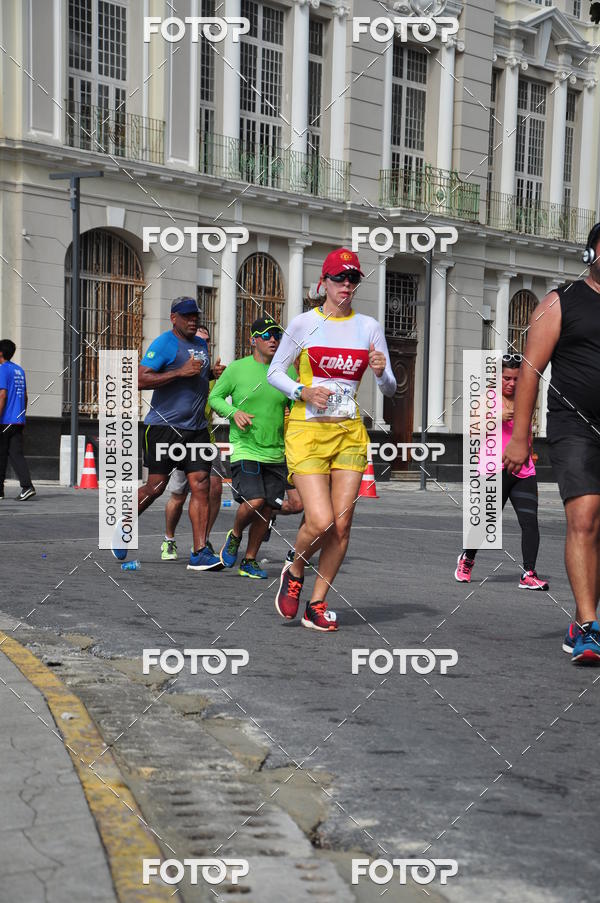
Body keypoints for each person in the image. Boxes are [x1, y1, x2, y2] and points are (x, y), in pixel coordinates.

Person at [267, 247, 396, 631]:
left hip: (349, 433)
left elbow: (389, 389)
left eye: (352, 278)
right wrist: (302, 392)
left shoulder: (369, 327)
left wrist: (381, 370)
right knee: (320, 520)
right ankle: (294, 569)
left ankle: (317, 604)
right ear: (323, 282)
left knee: (341, 525)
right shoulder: (304, 324)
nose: (346, 285)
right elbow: (275, 372)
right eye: (339, 278)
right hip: (307, 431)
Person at [504, 222, 600, 664]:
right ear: (591, 253)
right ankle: (586, 625)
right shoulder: (559, 302)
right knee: (584, 518)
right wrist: (520, 437)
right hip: (574, 428)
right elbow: (529, 371)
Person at [112, 297, 222, 570]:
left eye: (195, 315)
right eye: (186, 316)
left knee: (202, 485)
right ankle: (124, 524)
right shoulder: (163, 343)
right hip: (163, 428)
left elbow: (196, 376)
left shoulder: (200, 344)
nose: (192, 320)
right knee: (157, 487)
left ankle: (199, 552)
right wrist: (181, 372)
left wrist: (211, 373)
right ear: (174, 318)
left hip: (196, 429)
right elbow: (139, 379)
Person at [209, 316, 297, 578]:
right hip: (245, 446)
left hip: (276, 450)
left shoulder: (287, 372)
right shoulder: (237, 369)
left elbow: (294, 408)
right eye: (267, 335)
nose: (273, 340)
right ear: (253, 340)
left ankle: (249, 560)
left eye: (277, 336)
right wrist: (234, 412)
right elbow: (214, 397)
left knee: (268, 507)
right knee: (255, 500)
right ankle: (235, 535)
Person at [455, 354, 549, 590]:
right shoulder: (487, 399)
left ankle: (528, 573)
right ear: (498, 377)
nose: (511, 383)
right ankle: (467, 559)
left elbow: (528, 431)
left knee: (530, 522)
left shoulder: (525, 399)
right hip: (492, 468)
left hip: (523, 470)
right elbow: (473, 431)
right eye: (507, 378)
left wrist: (530, 450)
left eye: (516, 379)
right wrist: (496, 418)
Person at [160, 325, 224, 560]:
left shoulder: (213, 374)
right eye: (198, 341)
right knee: (178, 495)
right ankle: (169, 539)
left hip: (205, 437)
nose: (202, 347)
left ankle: (202, 542)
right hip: (178, 436)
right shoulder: (179, 368)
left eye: (206, 343)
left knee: (215, 488)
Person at [0, 339, 36, 501]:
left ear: (0, 353)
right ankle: (27, 487)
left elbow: (2, 395)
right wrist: (22, 416)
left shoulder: (2, 370)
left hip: (5, 420)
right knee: (16, 454)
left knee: (2, 455)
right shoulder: (19, 370)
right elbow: (26, 397)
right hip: (18, 420)